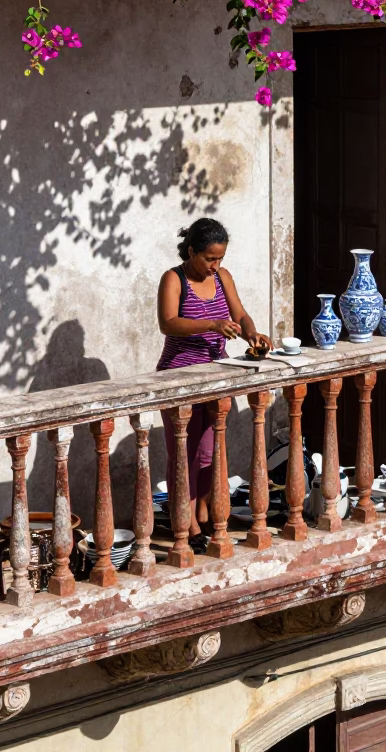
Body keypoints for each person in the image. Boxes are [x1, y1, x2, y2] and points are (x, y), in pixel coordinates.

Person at [156, 217, 270, 552]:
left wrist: (252, 333)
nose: (215, 265)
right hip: (179, 376)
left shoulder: (222, 277)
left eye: (219, 258)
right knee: (184, 453)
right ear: (191, 252)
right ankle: (188, 525)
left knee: (208, 451)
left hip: (216, 376)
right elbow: (168, 323)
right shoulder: (173, 279)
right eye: (209, 258)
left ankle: (205, 514)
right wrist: (211, 323)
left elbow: (241, 313)